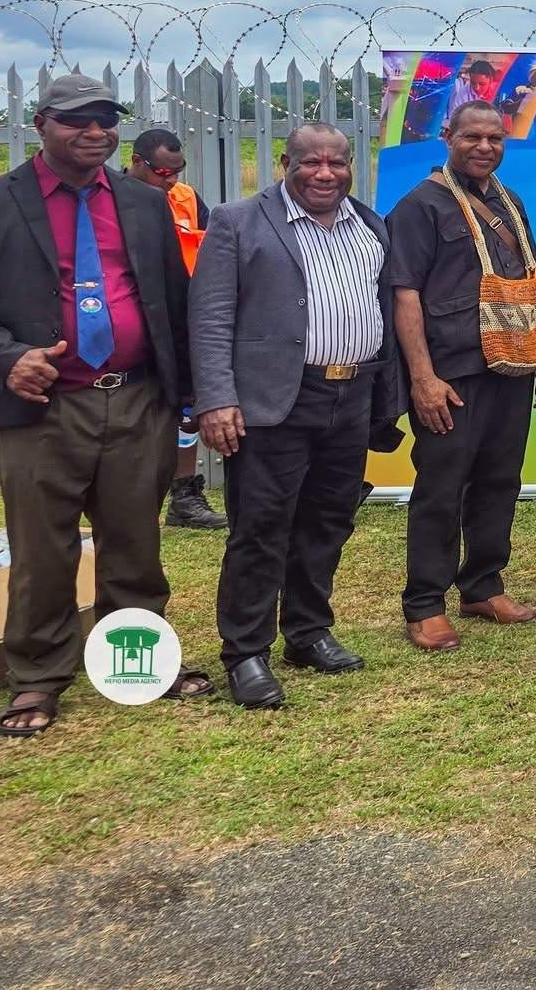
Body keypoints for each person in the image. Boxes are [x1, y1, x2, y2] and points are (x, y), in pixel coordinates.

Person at [0, 74, 213, 738]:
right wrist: (6, 357)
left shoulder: (143, 203)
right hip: (46, 406)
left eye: (105, 120)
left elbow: (174, 300)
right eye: (76, 120)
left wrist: (191, 393)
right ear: (40, 124)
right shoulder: (0, 202)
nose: (94, 132)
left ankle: (137, 661)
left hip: (137, 397)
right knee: (42, 547)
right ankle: (37, 674)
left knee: (134, 540)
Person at [191, 124, 404, 708]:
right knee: (261, 526)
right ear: (286, 163)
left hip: (351, 395)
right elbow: (210, 317)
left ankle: (307, 632)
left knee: (329, 519)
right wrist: (216, 398)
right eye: (311, 162)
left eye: (337, 162)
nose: (325, 173)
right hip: (273, 400)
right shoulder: (238, 222)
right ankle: (246, 652)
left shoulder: (370, 224)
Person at [388, 100, 536, 652]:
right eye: (472, 137)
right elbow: (405, 295)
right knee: (442, 487)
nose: (484, 147)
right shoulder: (420, 207)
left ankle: (483, 585)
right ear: (447, 137)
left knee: (499, 480)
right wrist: (422, 378)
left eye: (494, 139)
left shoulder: (510, 203)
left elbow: (530, 280)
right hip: (451, 374)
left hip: (510, 366)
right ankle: (425, 603)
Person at [126, 127, 227, 531]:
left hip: (183, 315)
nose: (170, 179)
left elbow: (211, 248)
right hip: (137, 321)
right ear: (136, 162)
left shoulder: (185, 198)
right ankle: (133, 501)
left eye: (177, 171)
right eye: (162, 172)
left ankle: (184, 496)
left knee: (187, 408)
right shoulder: (115, 199)